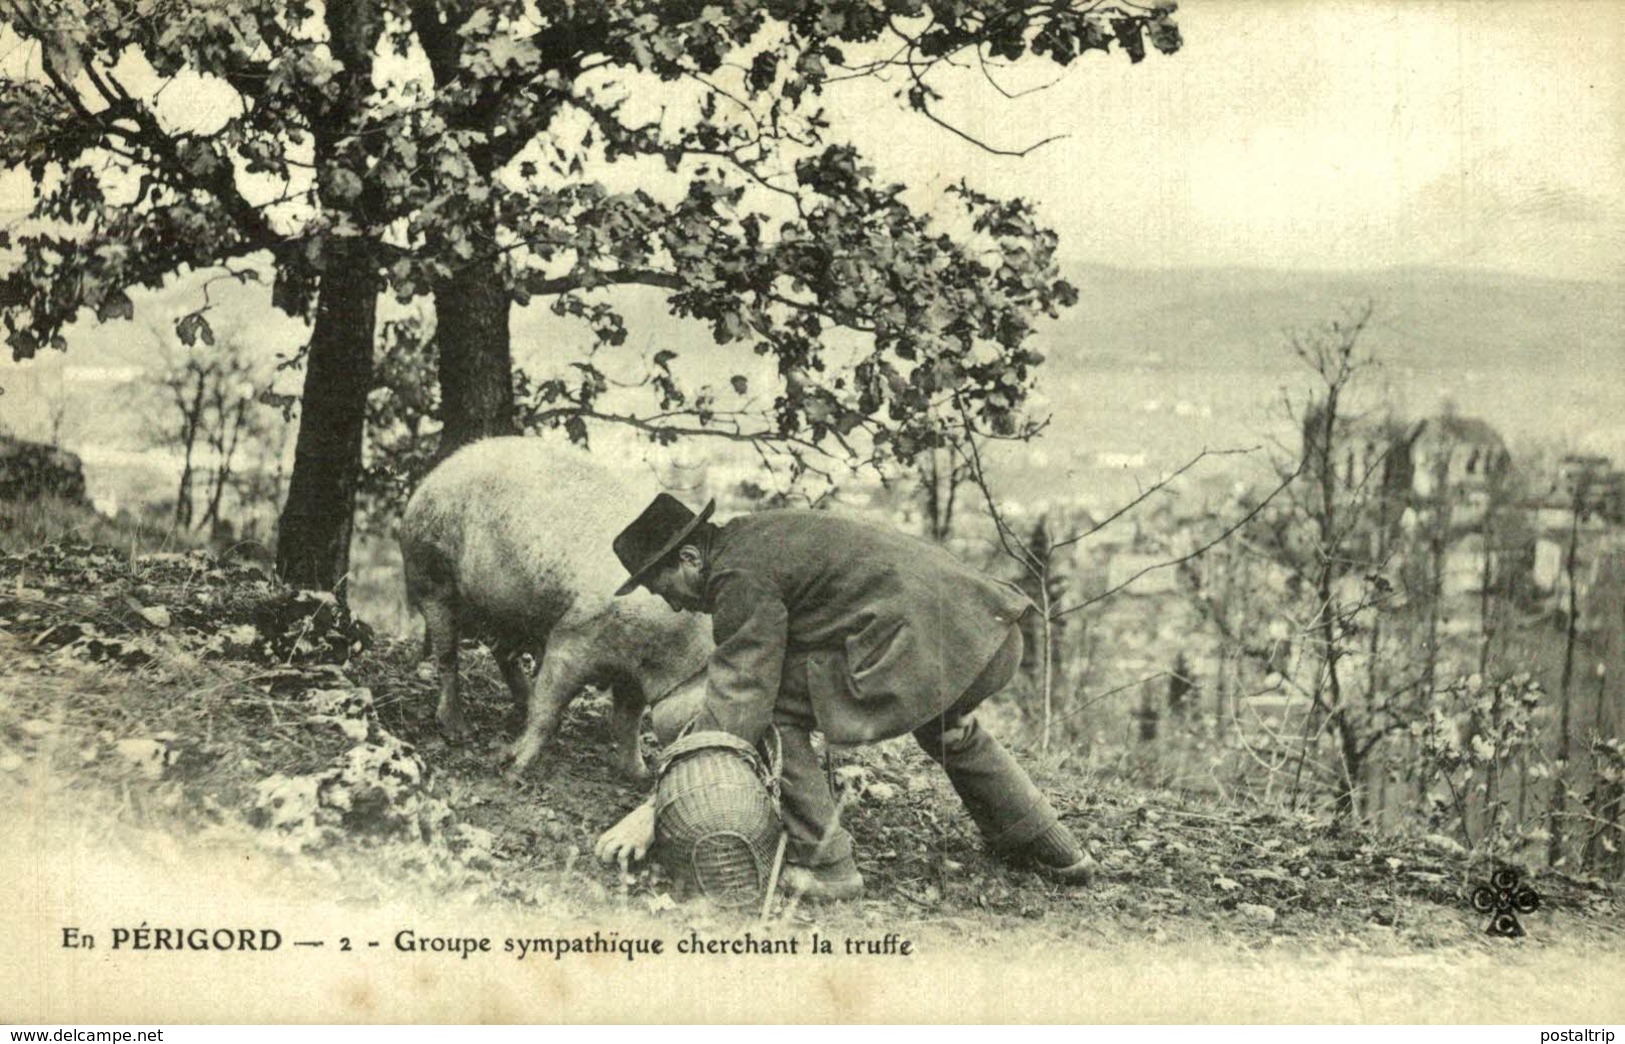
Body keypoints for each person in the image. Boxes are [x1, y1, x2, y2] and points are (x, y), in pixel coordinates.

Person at [593, 493, 1096, 900]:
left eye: (665, 590)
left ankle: (826, 865)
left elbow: (741, 697)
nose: (676, 606)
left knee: (774, 711)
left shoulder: (736, 573)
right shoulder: (756, 535)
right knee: (948, 727)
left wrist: (655, 809)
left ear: (689, 558)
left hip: (934, 652)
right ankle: (1052, 846)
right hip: (987, 635)